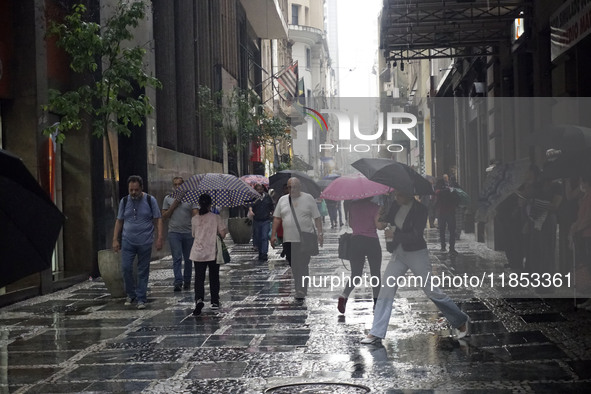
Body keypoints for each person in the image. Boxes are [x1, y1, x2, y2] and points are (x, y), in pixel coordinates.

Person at [361, 189, 469, 344]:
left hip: (417, 253)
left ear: (408, 193)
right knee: (386, 288)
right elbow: (385, 223)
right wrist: (382, 215)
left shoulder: (420, 209)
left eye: (400, 194)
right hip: (398, 253)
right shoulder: (394, 205)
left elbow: (416, 234)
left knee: (431, 290)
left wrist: (395, 235)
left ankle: (460, 320)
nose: (396, 197)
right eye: (396, 194)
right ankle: (376, 332)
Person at [113, 175, 163, 309]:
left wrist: (159, 238)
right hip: (127, 241)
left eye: (136, 190)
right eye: (131, 190)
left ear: (141, 188)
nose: (133, 193)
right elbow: (119, 221)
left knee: (143, 270)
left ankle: (141, 297)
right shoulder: (124, 201)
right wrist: (115, 239)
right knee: (126, 268)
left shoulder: (149, 200)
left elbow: (158, 219)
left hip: (145, 241)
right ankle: (131, 293)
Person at [270, 177, 323, 300]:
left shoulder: (308, 198)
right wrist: (273, 235)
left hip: (305, 239)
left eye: (294, 187)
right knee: (294, 265)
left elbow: (317, 218)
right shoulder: (282, 200)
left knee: (303, 264)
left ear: (300, 187)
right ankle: (299, 286)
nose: (292, 189)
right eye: (289, 187)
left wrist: (320, 233)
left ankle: (301, 289)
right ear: (287, 188)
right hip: (288, 240)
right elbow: (277, 218)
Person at [337, 197, 382, 314]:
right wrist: (385, 220)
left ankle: (344, 295)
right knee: (375, 274)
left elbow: (351, 224)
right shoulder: (375, 207)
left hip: (356, 242)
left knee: (356, 275)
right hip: (372, 242)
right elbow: (379, 226)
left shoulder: (352, 207)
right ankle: (376, 303)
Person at [190, 193, 228, 316]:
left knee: (199, 278)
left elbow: (194, 234)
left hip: (198, 252)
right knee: (214, 276)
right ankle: (215, 300)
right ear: (210, 204)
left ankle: (199, 299)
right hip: (213, 251)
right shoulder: (216, 217)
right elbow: (222, 234)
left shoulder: (194, 219)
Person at [162, 176, 197, 292]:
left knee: (188, 259)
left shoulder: (191, 199)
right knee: (176, 258)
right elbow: (164, 216)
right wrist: (174, 205)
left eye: (179, 184)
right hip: (174, 233)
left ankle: (187, 281)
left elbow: (195, 215)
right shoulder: (168, 198)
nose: (177, 187)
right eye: (175, 185)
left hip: (188, 232)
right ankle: (178, 281)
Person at [570, 173, 591, 309]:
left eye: (582, 183)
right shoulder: (586, 197)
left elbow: (588, 218)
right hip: (584, 235)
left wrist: (577, 228)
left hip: (588, 235)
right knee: (587, 266)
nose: (580, 186)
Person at [248, 184, 274, 261]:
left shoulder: (267, 197)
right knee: (258, 237)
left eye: (261, 189)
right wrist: (251, 211)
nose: (259, 191)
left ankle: (264, 253)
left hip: (266, 220)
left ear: (263, 189)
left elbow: (271, 206)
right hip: (257, 220)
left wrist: (272, 213)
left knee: (264, 237)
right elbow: (250, 205)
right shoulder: (254, 197)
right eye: (258, 190)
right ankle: (260, 252)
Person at [434, 178, 459, 254]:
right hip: (450, 212)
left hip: (441, 213)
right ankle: (452, 248)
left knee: (442, 231)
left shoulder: (438, 192)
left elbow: (435, 202)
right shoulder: (450, 191)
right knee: (452, 231)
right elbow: (456, 200)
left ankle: (443, 246)